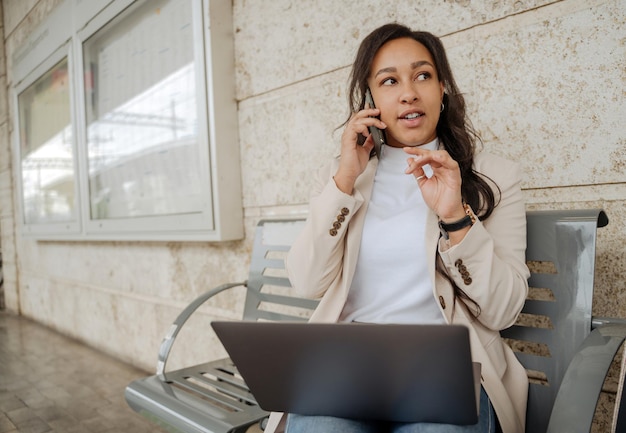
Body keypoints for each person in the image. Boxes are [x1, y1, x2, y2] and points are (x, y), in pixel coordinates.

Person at [265, 23, 530, 433]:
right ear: (372, 100)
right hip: (346, 369)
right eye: (389, 81)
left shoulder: (493, 177)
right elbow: (306, 281)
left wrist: (456, 217)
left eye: (423, 75)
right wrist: (343, 181)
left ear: (443, 88)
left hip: (446, 372)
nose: (408, 92)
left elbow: (504, 309)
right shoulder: (344, 176)